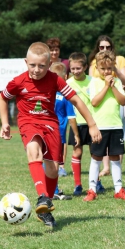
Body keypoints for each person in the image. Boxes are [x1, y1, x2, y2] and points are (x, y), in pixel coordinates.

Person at [0, 42, 101, 228]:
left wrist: (92, 124)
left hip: (50, 124)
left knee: (53, 168)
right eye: (32, 65)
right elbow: (3, 97)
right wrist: (5, 123)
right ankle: (43, 197)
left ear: (49, 63)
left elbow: (76, 100)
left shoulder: (55, 80)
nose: (37, 70)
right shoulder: (18, 81)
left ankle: (45, 207)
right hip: (28, 122)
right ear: (26, 62)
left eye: (42, 66)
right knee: (33, 148)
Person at [83, 50, 125, 201]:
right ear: (97, 68)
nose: (106, 71)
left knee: (115, 157)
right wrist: (105, 86)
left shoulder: (117, 82)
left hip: (115, 126)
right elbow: (94, 102)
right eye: (103, 68)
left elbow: (123, 101)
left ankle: (119, 189)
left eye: (109, 68)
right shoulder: (94, 83)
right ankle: (92, 189)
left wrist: (113, 87)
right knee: (96, 157)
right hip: (99, 127)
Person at [66, 52, 93, 196]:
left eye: (78, 68)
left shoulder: (93, 81)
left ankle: (96, 182)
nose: (75, 71)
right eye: (73, 68)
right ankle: (78, 185)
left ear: (85, 67)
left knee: (95, 153)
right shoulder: (68, 83)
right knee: (77, 152)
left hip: (92, 123)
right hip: (76, 123)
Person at [48, 62, 76, 200]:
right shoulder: (66, 95)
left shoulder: (46, 92)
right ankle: (54, 190)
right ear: (66, 76)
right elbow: (71, 117)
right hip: (58, 133)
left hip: (45, 131)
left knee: (46, 160)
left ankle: (48, 190)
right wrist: (76, 134)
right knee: (55, 162)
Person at [46, 37, 70, 176]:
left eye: (56, 49)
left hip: (61, 104)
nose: (54, 52)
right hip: (48, 103)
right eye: (52, 49)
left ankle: (61, 165)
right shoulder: (44, 64)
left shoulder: (64, 63)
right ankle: (48, 163)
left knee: (62, 137)